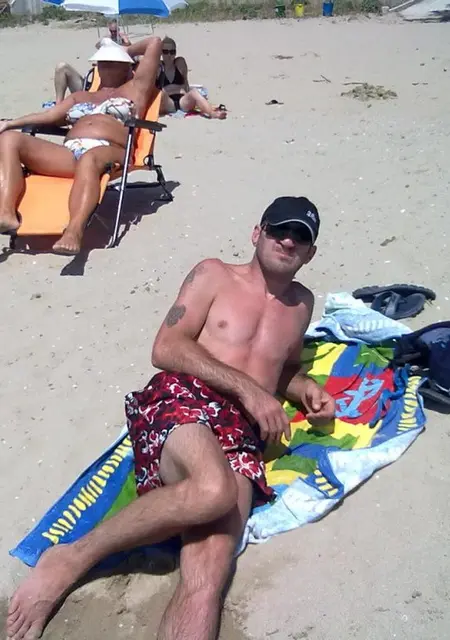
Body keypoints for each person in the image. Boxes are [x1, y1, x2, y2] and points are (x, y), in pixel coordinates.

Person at [6, 196, 336, 640]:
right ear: (257, 233)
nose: (288, 241)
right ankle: (71, 557)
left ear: (311, 253)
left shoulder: (302, 305)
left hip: (241, 429)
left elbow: (283, 367)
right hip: (184, 397)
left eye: (301, 236)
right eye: (280, 230)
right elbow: (166, 347)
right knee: (212, 489)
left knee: (211, 570)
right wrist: (250, 390)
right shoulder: (214, 274)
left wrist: (305, 388)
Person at [0, 37, 162, 256]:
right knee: (9, 139)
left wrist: (121, 48)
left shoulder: (135, 89)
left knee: (90, 158)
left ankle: (73, 231)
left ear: (127, 66)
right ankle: (6, 213)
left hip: (110, 150)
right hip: (71, 152)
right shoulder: (80, 96)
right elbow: (49, 116)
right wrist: (10, 123)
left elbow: (155, 42)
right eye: (102, 62)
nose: (106, 66)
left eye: (113, 62)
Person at [53, 20, 131, 103]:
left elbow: (131, 51)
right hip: (91, 92)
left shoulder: (124, 50)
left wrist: (126, 42)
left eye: (115, 31)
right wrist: (104, 41)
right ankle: (58, 105)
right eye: (111, 31)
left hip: (107, 96)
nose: (113, 33)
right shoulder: (107, 41)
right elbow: (97, 46)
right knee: (61, 67)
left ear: (118, 30)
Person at [158, 36, 226, 120]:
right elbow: (157, 91)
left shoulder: (179, 64)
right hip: (167, 103)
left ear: (175, 53)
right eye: (165, 52)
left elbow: (186, 87)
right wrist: (178, 89)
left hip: (183, 101)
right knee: (160, 94)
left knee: (194, 92)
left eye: (172, 52)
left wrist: (169, 89)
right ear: (161, 52)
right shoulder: (158, 68)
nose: (169, 55)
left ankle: (212, 113)